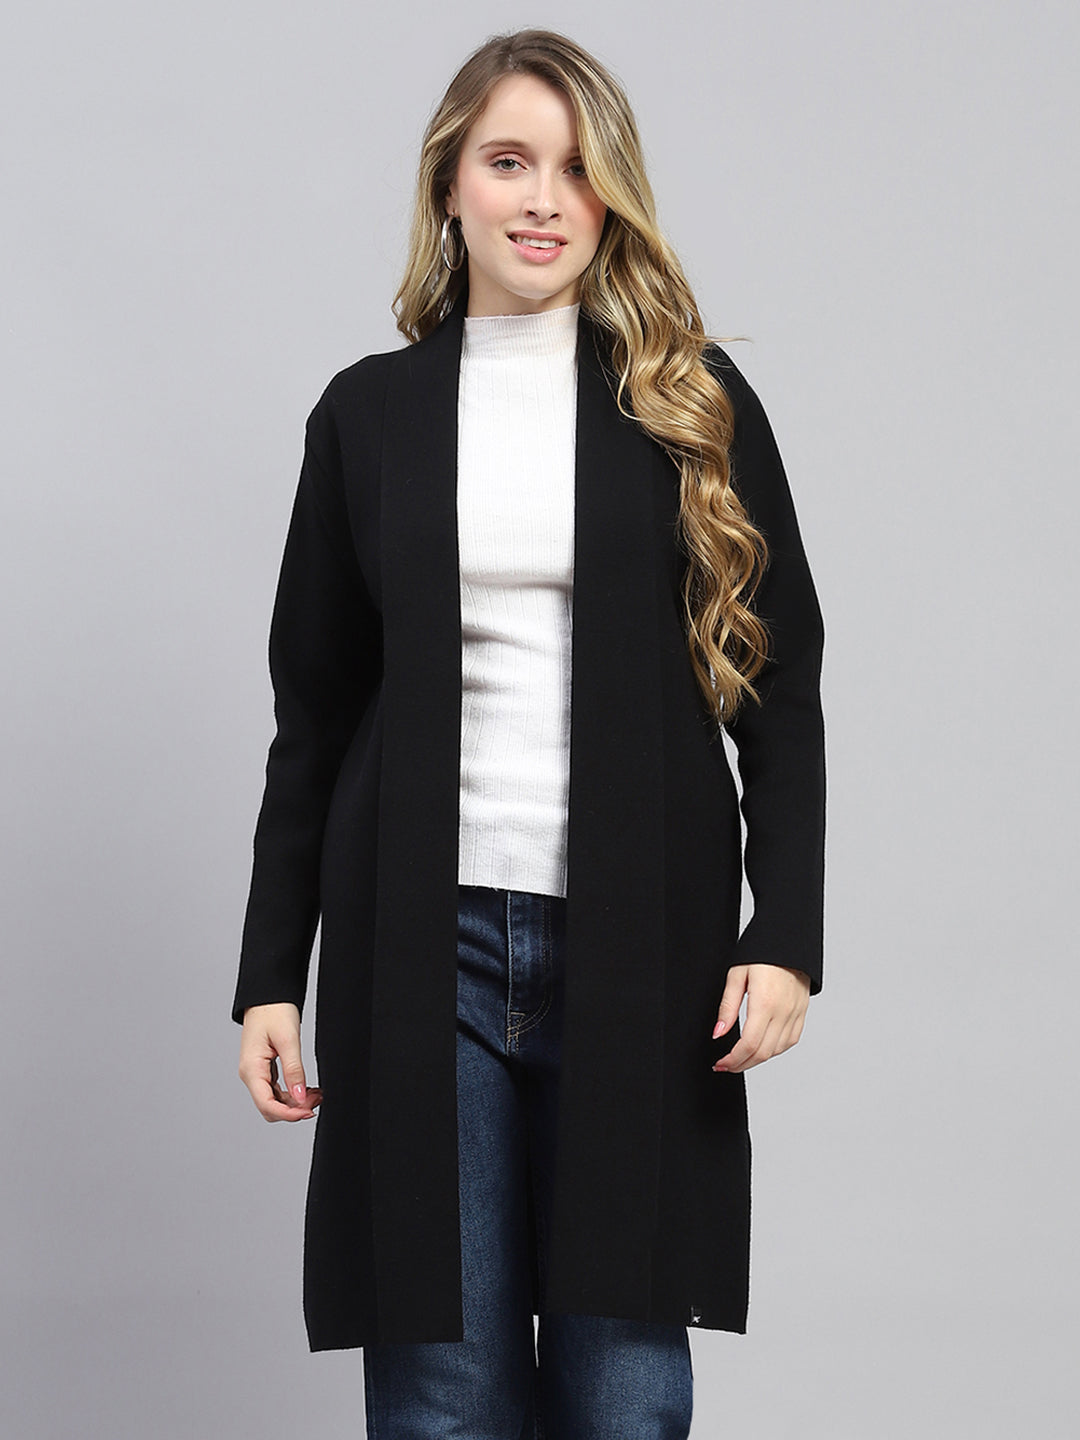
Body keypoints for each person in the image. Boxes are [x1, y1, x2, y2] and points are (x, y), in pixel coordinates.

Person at [233, 26, 826, 1440]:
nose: (544, 199)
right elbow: (313, 715)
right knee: (443, 1389)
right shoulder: (367, 417)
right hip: (418, 943)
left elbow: (782, 686)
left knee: (624, 1391)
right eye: (509, 162)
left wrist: (788, 932)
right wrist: (269, 975)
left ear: (612, 196)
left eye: (576, 168)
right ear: (451, 182)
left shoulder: (690, 404)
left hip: (645, 945)